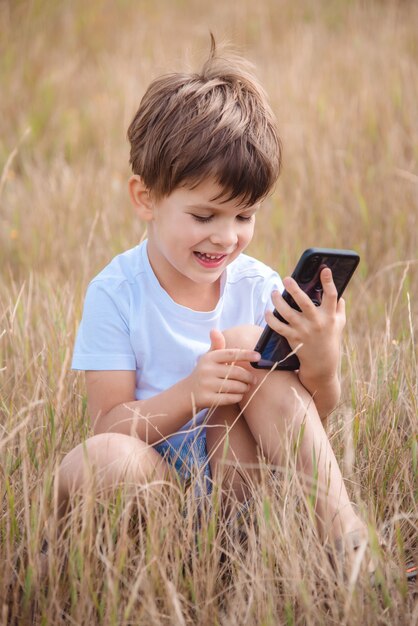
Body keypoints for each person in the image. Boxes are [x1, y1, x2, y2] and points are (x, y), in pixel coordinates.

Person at [58, 37, 372, 569]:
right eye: (205, 217)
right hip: (157, 492)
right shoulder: (116, 292)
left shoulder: (258, 287)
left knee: (254, 345)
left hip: (241, 487)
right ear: (146, 199)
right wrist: (190, 393)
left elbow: (303, 426)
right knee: (97, 461)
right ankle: (169, 564)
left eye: (244, 217)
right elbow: (108, 426)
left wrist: (323, 364)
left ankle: (349, 546)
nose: (226, 238)